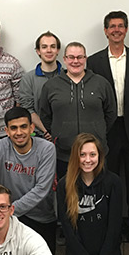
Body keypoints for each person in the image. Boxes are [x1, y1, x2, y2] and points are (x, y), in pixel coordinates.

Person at [87, 10, 129, 243]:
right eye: (112, 26)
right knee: (108, 179)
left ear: (126, 30)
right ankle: (111, 225)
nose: (116, 30)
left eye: (120, 26)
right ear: (105, 31)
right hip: (107, 130)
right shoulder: (93, 61)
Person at [0, 107, 57, 253]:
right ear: (7, 131)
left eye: (23, 127)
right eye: (13, 128)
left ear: (32, 127)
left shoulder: (46, 149)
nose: (19, 132)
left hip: (40, 218)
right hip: (9, 220)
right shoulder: (1, 146)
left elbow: (42, 189)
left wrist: (8, 211)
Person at [57, 133, 122, 255]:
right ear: (75, 157)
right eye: (82, 155)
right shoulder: (64, 185)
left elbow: (115, 227)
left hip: (106, 249)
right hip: (80, 251)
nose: (87, 160)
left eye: (92, 154)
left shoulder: (113, 182)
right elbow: (68, 229)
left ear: (100, 156)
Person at [39, 42, 116, 178]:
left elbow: (111, 113)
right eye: (71, 57)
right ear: (64, 59)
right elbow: (45, 115)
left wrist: (98, 130)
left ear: (85, 59)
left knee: (98, 194)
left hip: (95, 154)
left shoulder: (101, 83)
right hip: (64, 155)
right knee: (67, 195)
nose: (76, 61)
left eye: (80, 57)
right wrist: (59, 133)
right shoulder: (51, 86)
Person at [17, 31, 62, 139]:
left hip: (64, 135)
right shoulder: (28, 79)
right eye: (44, 47)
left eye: (53, 46)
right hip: (38, 136)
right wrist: (47, 131)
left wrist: (57, 132)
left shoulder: (67, 77)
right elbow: (28, 109)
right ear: (38, 51)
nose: (49, 50)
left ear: (58, 50)